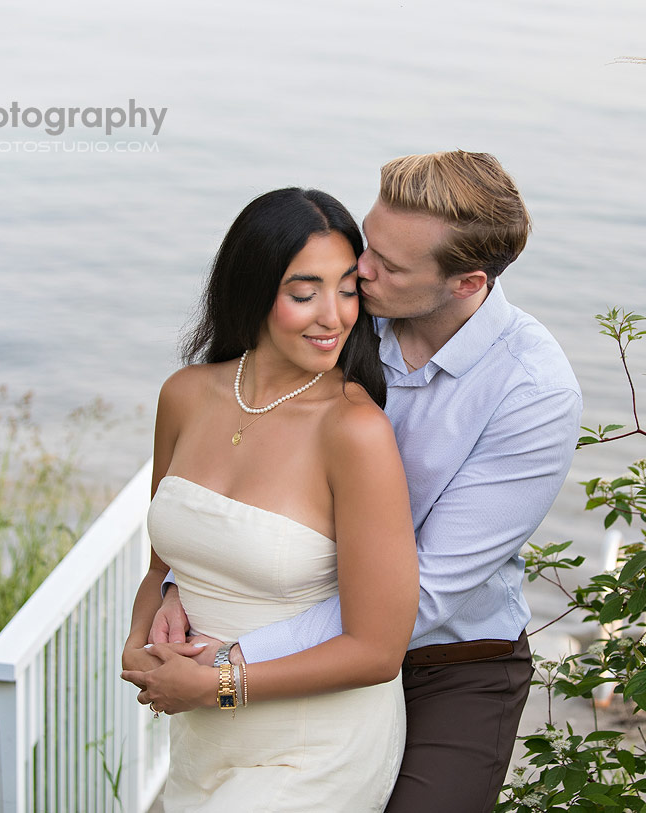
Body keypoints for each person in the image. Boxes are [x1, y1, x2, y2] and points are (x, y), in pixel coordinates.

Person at [146, 151, 583, 812]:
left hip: (451, 660)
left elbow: (422, 598)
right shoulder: (344, 319)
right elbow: (246, 454)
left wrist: (233, 659)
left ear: (465, 283)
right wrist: (185, 581)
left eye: (388, 265)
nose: (361, 270)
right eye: (367, 245)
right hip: (293, 634)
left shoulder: (532, 392)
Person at [120, 187, 419, 812]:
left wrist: (218, 686)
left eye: (346, 290)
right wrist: (139, 635)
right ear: (254, 290)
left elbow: (378, 650)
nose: (333, 317)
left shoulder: (354, 432)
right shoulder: (185, 394)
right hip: (203, 737)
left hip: (315, 747)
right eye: (304, 293)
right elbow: (162, 563)